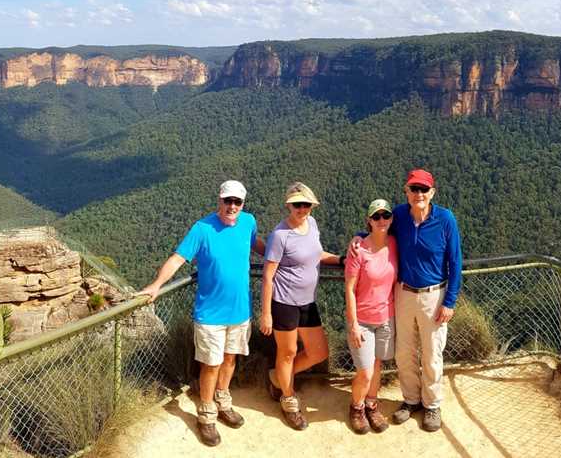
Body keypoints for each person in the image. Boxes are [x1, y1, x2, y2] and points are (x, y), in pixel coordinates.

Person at [138, 180, 265, 447]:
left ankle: (223, 401)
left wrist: (285, 255)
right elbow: (178, 258)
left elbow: (257, 245)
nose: (232, 206)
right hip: (210, 315)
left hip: (240, 311)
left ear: (243, 204)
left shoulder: (248, 222)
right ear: (219, 201)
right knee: (211, 365)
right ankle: (207, 415)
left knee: (230, 360)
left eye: (237, 202)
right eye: (227, 201)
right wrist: (156, 285)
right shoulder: (202, 228)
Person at [349, 168, 462, 432]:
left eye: (424, 189)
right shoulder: (398, 214)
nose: (418, 194)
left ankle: (432, 405)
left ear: (432, 193)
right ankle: (411, 400)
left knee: (432, 353)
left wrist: (450, 301)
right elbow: (378, 228)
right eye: (414, 189)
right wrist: (358, 237)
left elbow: (455, 262)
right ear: (406, 192)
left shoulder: (445, 219)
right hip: (402, 293)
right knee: (404, 352)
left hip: (434, 295)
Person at [259, 182, 342, 430]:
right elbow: (267, 276)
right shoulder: (279, 236)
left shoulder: (312, 225)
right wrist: (266, 314)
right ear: (288, 205)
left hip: (307, 302)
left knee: (319, 352)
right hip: (284, 303)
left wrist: (341, 260)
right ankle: (288, 399)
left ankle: (278, 377)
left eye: (306, 204)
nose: (302, 209)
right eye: (297, 204)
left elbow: (317, 254)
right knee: (287, 352)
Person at [344, 199, 398, 434]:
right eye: (376, 217)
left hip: (386, 318)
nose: (382, 220)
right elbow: (349, 289)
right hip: (363, 322)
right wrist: (353, 324)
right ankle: (356, 408)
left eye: (385, 216)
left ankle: (371, 405)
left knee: (376, 366)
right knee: (365, 371)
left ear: (391, 219)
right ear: (369, 220)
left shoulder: (396, 243)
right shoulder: (359, 250)